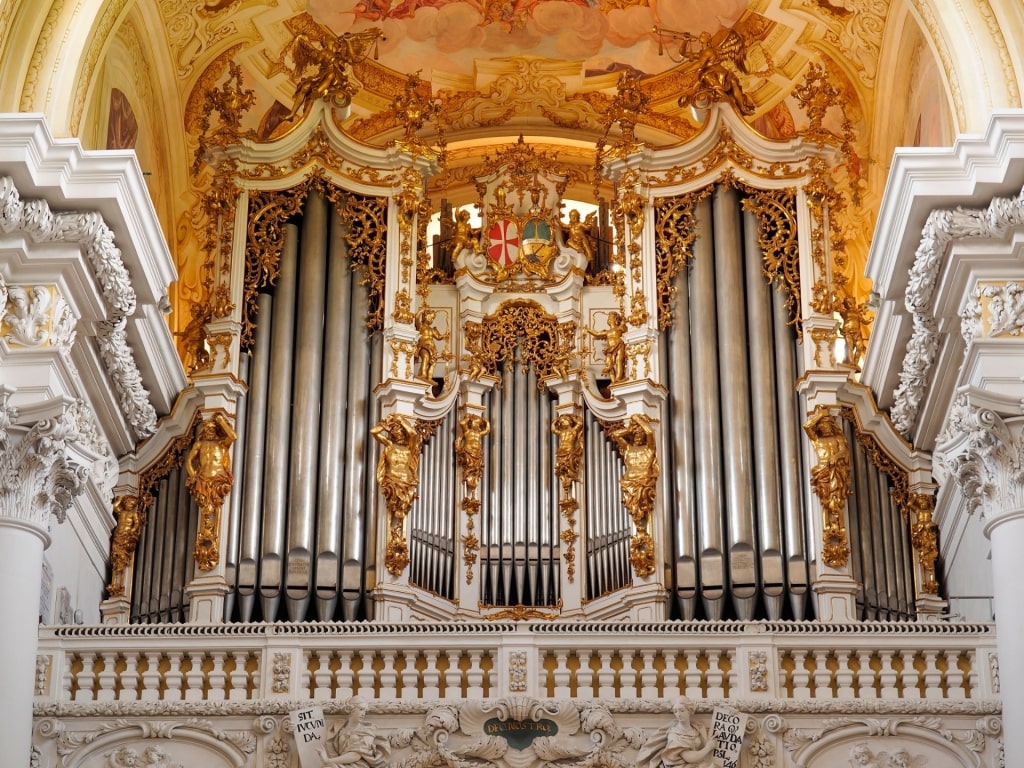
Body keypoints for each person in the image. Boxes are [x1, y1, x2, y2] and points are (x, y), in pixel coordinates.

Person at [185, 412, 237, 570]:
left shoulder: (222, 443)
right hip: (203, 479)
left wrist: (221, 422)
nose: (209, 430)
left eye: (212, 428)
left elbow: (233, 436)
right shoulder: (199, 445)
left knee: (212, 508)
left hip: (218, 479)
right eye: (207, 427)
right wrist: (194, 476)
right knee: (206, 509)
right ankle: (206, 535)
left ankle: (210, 538)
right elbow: (189, 460)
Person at [371, 413, 422, 518]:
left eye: (400, 432)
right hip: (392, 481)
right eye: (395, 433)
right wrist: (386, 424)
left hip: (406, 482)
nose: (398, 435)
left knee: (403, 509)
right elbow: (374, 432)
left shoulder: (409, 449)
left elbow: (413, 434)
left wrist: (402, 421)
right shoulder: (390, 446)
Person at [107, 495, 143, 597]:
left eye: (132, 504)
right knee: (115, 560)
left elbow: (136, 525)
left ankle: (119, 583)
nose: (129, 505)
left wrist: (130, 532)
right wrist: (118, 501)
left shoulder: (133, 514)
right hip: (118, 536)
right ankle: (114, 583)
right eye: (128, 503)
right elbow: (114, 508)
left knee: (122, 561)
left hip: (125, 537)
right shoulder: (122, 512)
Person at [587, 311, 627, 383]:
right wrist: (588, 330)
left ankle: (618, 378)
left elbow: (625, 329)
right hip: (610, 349)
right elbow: (597, 334)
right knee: (608, 363)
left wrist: (623, 321)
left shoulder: (619, 328)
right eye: (609, 317)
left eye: (611, 317)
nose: (609, 319)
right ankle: (613, 380)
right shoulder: (607, 332)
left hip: (619, 345)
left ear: (616, 319)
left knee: (619, 360)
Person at [455, 413, 489, 493]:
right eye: (475, 423)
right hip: (468, 452)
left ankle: (473, 479)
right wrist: (468, 418)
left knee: (476, 470)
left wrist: (486, 421)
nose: (477, 425)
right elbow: (462, 423)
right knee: (468, 468)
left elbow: (487, 430)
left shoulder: (479, 434)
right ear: (471, 423)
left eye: (478, 424)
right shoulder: (467, 431)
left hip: (477, 454)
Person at [414, 308, 447, 382]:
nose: (432, 320)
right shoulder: (420, 326)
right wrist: (421, 310)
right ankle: (422, 375)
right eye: (431, 317)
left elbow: (438, 337)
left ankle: (429, 378)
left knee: (433, 363)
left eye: (433, 319)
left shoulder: (432, 329)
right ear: (425, 316)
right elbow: (416, 318)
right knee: (425, 357)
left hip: (432, 348)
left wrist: (445, 335)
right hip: (423, 346)